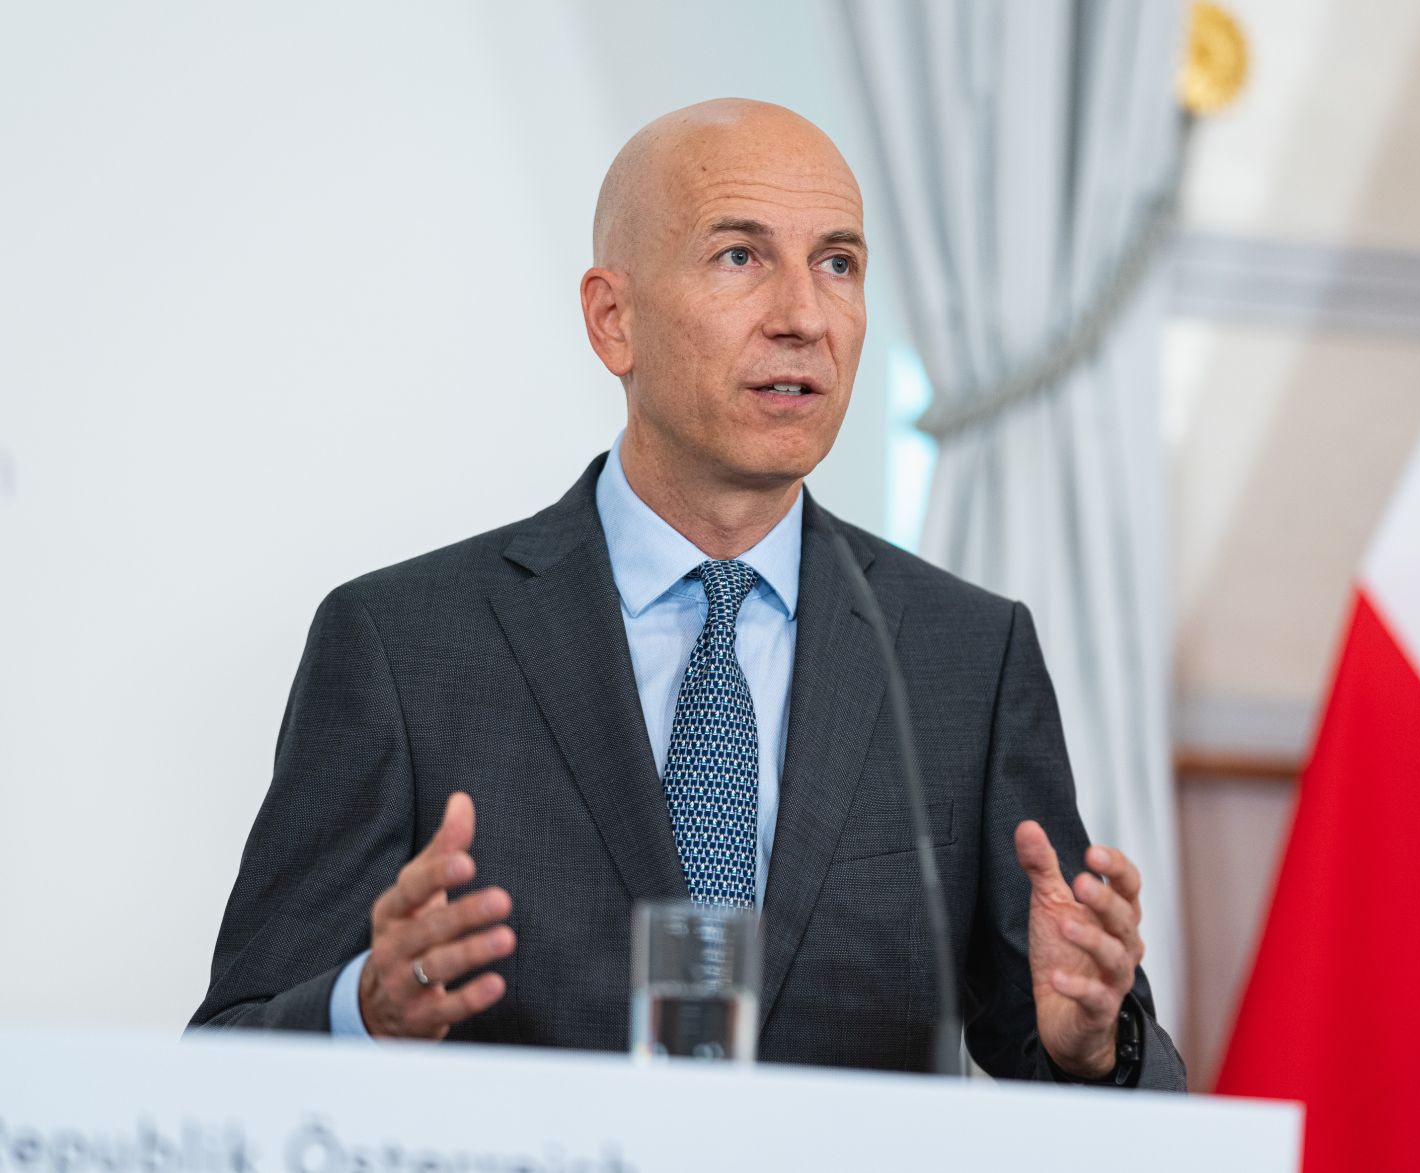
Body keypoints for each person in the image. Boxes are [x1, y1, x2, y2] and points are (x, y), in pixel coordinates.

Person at [190, 98, 1185, 1090]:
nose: (801, 316)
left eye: (837, 264)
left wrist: (1086, 1043)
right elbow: (226, 1054)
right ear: (611, 319)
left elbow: (1094, 1060)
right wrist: (363, 1012)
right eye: (739, 257)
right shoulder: (406, 646)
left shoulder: (961, 654)